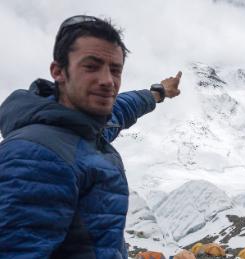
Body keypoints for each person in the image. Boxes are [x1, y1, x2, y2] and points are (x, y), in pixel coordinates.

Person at [0, 15, 181, 258]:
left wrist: (158, 93)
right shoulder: (36, 156)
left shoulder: (83, 130)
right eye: (91, 66)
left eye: (115, 70)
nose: (108, 81)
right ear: (58, 71)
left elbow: (122, 109)